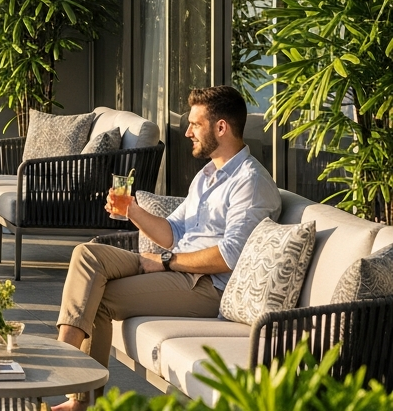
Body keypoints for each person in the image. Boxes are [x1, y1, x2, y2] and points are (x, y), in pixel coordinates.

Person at [50, 85, 281, 411]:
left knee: (95, 300)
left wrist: (168, 262)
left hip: (206, 287)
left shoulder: (250, 181)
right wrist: (131, 209)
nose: (187, 132)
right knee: (88, 255)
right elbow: (173, 231)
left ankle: (76, 397)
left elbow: (230, 256)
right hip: (176, 267)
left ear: (221, 127)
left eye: (195, 124)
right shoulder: (206, 176)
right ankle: (67, 371)